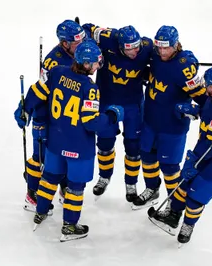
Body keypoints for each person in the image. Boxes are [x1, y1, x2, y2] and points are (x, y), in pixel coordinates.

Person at [14, 40, 124, 242]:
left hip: (55, 141)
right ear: (87, 64)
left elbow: (37, 91)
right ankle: (69, 226)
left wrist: (24, 108)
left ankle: (41, 211)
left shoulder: (57, 72)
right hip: (79, 147)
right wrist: (112, 116)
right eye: (97, 62)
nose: (99, 65)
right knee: (75, 187)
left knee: (49, 177)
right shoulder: (90, 88)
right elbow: (91, 122)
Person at [149, 67, 212, 245]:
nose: (205, 86)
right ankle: (173, 215)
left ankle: (188, 226)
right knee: (183, 185)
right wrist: (196, 111)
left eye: (208, 85)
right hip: (208, 154)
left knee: (195, 198)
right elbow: (210, 113)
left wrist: (193, 161)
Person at [131, 25, 208, 210]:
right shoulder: (154, 54)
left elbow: (203, 99)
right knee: (147, 157)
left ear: (176, 45)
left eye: (167, 48)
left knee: (169, 166)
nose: (162, 51)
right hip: (150, 120)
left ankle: (174, 203)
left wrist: (195, 110)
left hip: (172, 127)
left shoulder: (185, 68)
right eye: (160, 47)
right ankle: (152, 189)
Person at [82, 23, 153, 202]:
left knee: (133, 146)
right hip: (106, 101)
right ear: (120, 46)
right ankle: (104, 177)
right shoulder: (108, 37)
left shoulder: (147, 46)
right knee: (105, 143)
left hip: (133, 105)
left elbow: (165, 57)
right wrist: (90, 45)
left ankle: (131, 183)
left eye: (137, 47)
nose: (135, 52)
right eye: (130, 49)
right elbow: (86, 27)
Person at [21, 19, 87, 213]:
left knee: (65, 153)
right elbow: (40, 90)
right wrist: (27, 109)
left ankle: (64, 186)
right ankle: (32, 194)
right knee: (40, 156)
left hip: (65, 117)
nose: (81, 44)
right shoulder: (53, 62)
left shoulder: (79, 50)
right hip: (47, 115)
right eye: (76, 42)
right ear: (64, 43)